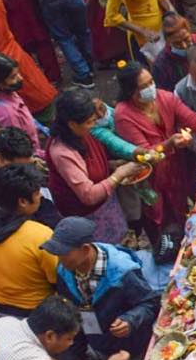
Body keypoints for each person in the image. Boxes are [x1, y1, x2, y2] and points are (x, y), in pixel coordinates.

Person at [113, 61, 196, 254]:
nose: (151, 88)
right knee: (162, 229)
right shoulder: (123, 115)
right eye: (143, 87)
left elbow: (192, 118)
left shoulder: (164, 98)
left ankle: (189, 248)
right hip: (152, 181)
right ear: (131, 92)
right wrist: (168, 144)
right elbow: (145, 155)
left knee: (184, 213)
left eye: (151, 82)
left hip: (177, 170)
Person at [40, 216, 161, 360]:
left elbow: (151, 302)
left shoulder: (122, 272)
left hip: (131, 349)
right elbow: (73, 314)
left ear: (85, 249)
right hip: (100, 346)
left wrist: (130, 320)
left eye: (64, 253)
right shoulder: (65, 272)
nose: (59, 259)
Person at [0, 163, 61, 317]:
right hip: (41, 311)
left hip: (1, 307)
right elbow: (58, 279)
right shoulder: (40, 235)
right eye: (36, 193)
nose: (40, 196)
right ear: (22, 201)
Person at [47, 88, 143, 244]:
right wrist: (119, 174)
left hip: (106, 203)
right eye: (89, 122)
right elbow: (89, 195)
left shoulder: (82, 133)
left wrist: (112, 165)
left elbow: (90, 163)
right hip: (87, 214)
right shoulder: (62, 153)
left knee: (123, 240)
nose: (94, 125)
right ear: (72, 124)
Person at [0, 54, 44, 157]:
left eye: (18, 73)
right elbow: (18, 147)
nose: (20, 78)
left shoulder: (9, 94)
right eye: (13, 77)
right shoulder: (5, 113)